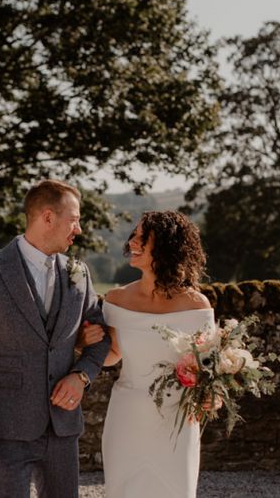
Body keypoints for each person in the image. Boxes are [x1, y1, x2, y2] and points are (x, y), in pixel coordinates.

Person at [0, 179, 111, 498]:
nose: (78, 229)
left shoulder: (79, 272)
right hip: (7, 424)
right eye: (74, 219)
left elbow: (101, 338)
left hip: (62, 426)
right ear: (48, 217)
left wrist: (82, 376)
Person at [80, 210, 213, 498]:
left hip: (176, 420)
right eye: (133, 235)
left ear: (166, 246)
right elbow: (113, 354)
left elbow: (208, 367)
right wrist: (81, 344)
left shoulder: (196, 305)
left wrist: (211, 394)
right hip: (126, 417)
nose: (133, 242)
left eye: (143, 237)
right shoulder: (116, 299)